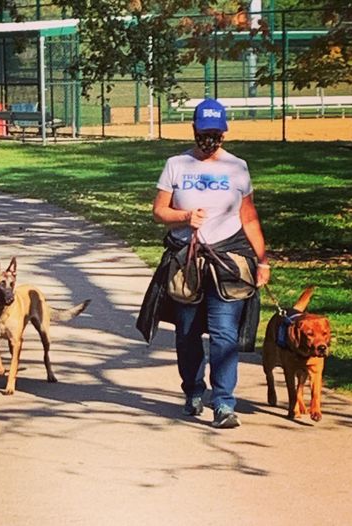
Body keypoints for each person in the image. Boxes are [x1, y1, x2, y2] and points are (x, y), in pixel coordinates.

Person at [142, 98, 270, 428]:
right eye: (204, 132)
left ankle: (224, 403)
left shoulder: (237, 167)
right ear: (194, 130)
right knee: (186, 334)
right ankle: (193, 390)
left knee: (224, 335)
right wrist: (185, 216)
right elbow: (159, 212)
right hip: (186, 262)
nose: (209, 139)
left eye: (215, 132)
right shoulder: (176, 165)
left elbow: (249, 217)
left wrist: (262, 261)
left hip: (226, 262)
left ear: (224, 133)